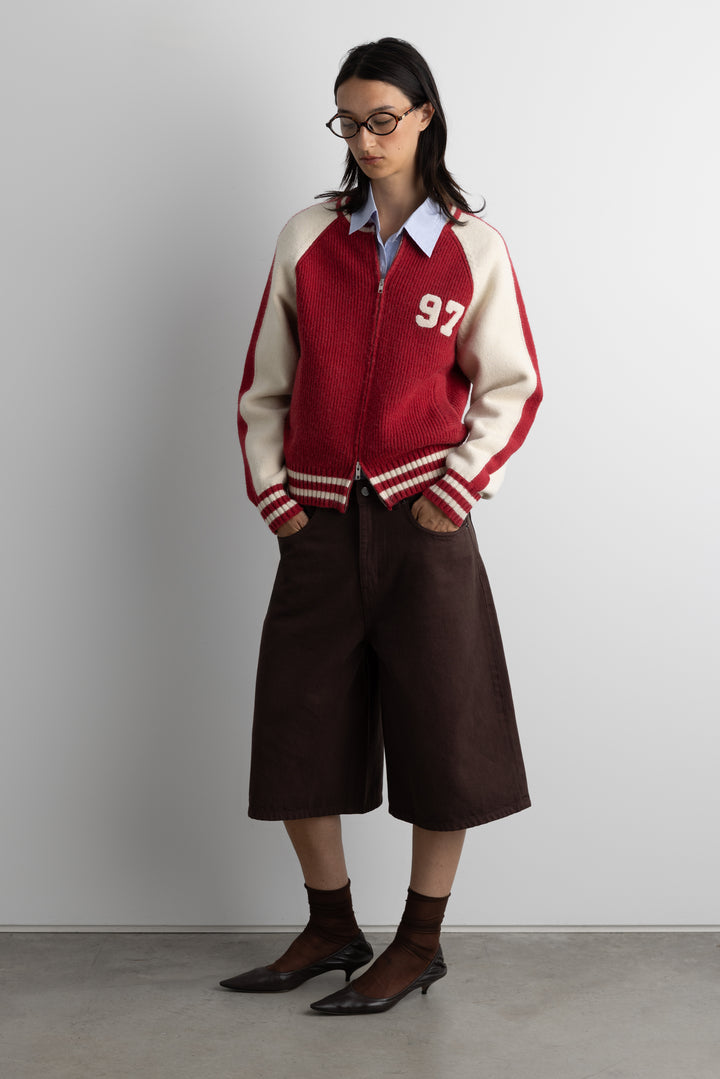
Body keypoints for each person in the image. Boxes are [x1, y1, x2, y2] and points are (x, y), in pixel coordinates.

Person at [220, 37, 542, 1015]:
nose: (365, 139)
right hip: (317, 521)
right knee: (298, 727)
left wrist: (458, 485)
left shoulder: (474, 249)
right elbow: (264, 385)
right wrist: (276, 495)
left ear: (424, 116)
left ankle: (419, 941)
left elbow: (514, 386)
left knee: (445, 731)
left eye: (383, 119)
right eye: (350, 121)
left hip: (425, 526)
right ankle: (331, 926)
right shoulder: (308, 237)